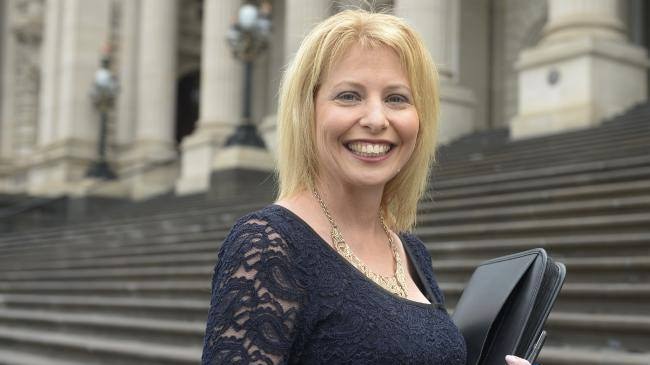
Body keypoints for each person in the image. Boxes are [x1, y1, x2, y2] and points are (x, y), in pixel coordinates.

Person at [202, 9, 532, 365]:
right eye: (348, 96)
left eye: (396, 98)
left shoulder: (412, 252)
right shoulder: (267, 245)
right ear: (307, 111)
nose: (376, 119)